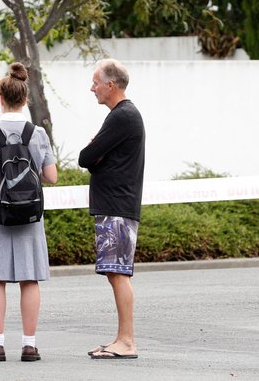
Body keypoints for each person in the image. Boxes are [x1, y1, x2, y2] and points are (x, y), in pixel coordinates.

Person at [0, 62, 57, 362]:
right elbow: (51, 176)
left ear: (1, 97)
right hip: (30, 215)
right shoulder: (37, 133)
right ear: (25, 99)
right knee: (28, 278)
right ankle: (29, 345)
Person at [78, 58, 145, 360]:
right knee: (114, 273)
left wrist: (95, 152)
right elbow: (93, 156)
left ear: (111, 85)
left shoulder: (123, 117)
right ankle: (122, 338)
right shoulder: (122, 116)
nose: (92, 88)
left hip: (118, 206)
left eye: (96, 82)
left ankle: (127, 341)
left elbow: (86, 156)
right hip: (116, 205)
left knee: (119, 274)